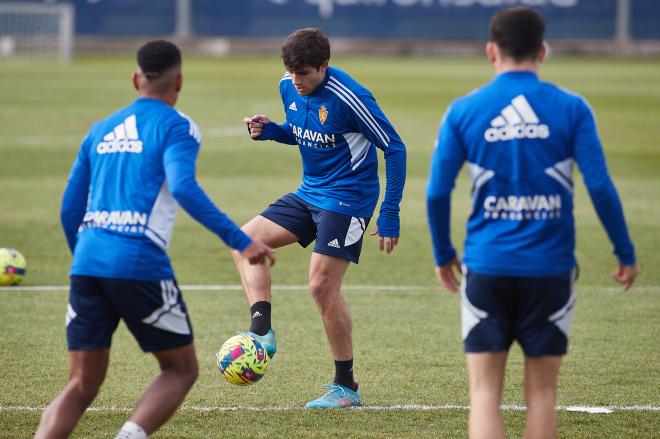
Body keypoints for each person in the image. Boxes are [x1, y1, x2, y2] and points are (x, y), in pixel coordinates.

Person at [35, 40, 274, 439]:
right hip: (137, 262)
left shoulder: (100, 130)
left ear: (135, 78)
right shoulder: (177, 125)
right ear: (178, 81)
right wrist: (240, 239)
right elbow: (183, 187)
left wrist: (88, 260)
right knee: (181, 369)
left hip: (88, 262)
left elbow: (68, 211)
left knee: (80, 385)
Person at [426, 6, 639, 439]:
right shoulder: (572, 108)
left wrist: (443, 254)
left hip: (486, 267)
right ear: (543, 50)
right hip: (550, 270)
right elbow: (599, 185)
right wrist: (625, 252)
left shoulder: (464, 110)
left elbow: (435, 192)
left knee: (485, 394)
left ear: (491, 51)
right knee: (541, 395)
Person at [235, 28, 406, 408]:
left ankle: (345, 387)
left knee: (320, 286)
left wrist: (389, 212)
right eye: (291, 72)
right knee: (244, 241)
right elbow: (303, 132)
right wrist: (270, 132)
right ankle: (261, 332)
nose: (296, 81)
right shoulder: (289, 83)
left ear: (324, 66)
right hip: (310, 191)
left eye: (305, 74)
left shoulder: (352, 98)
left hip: (349, 199)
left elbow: (394, 148)